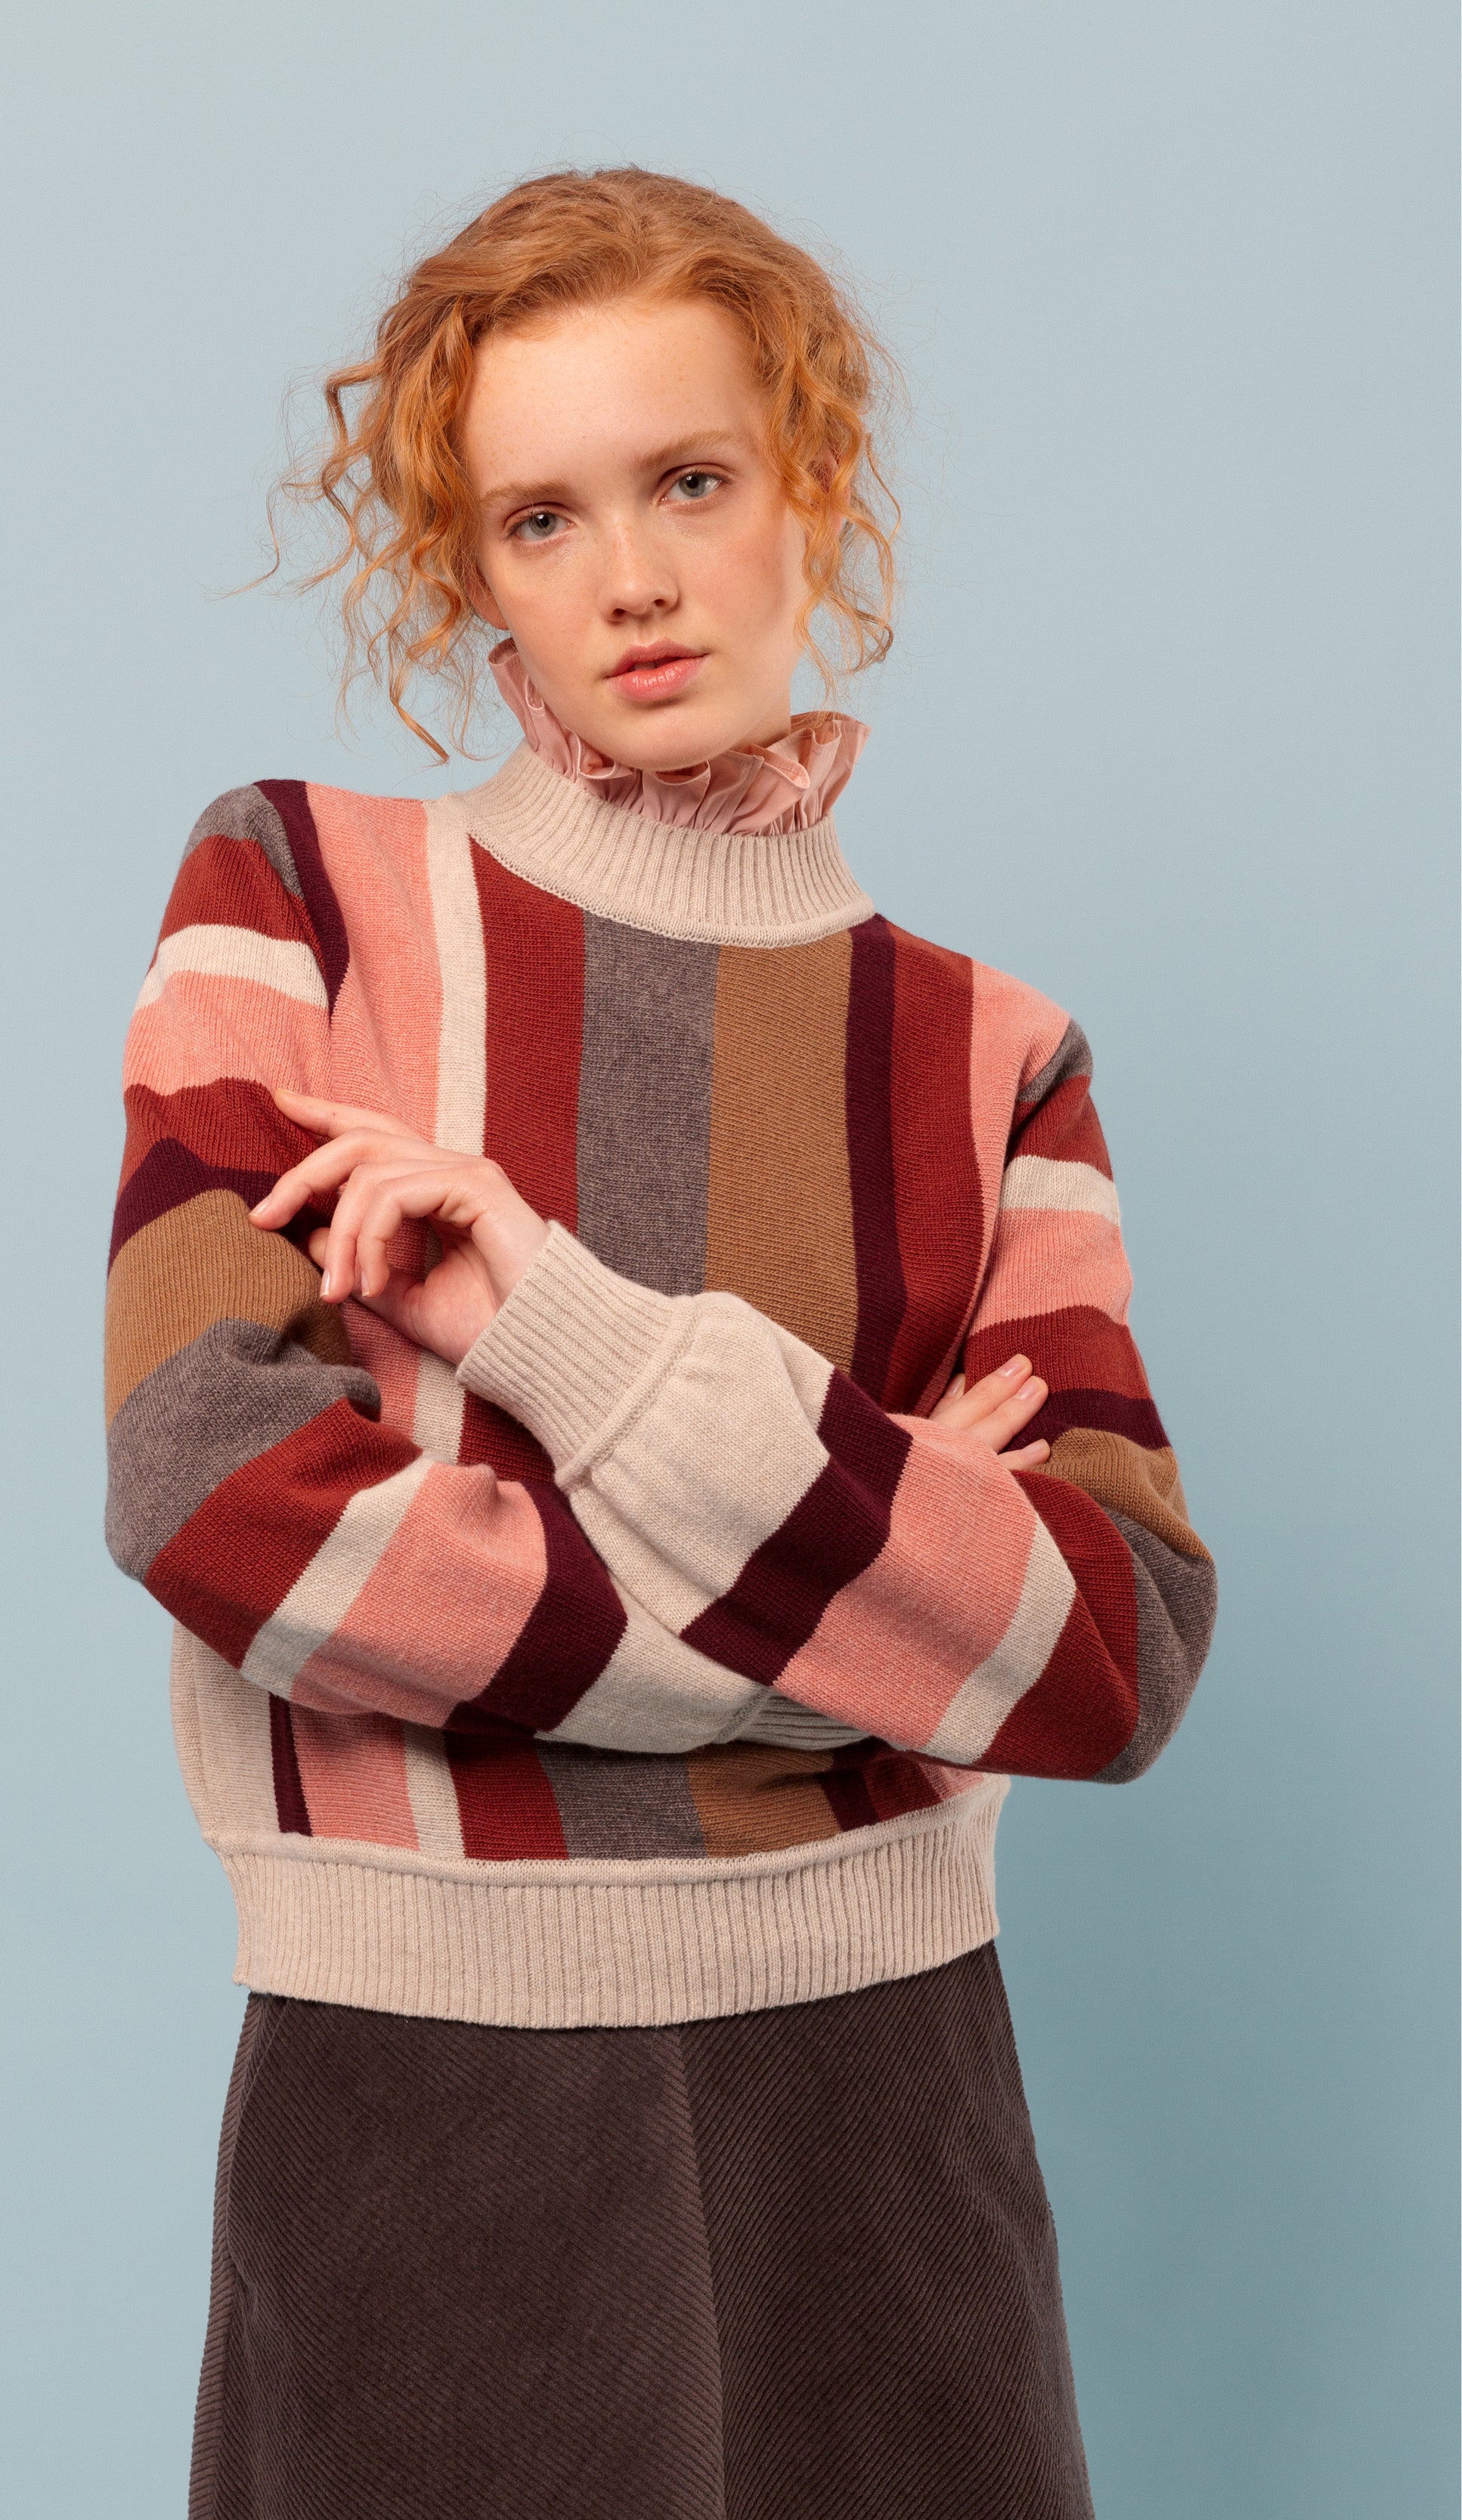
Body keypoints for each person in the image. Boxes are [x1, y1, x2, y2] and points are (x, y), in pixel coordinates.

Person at [104, 166, 1216, 2520]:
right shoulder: (301, 898)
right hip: (429, 2097)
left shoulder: (992, 1055)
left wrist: (569, 1336)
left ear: (812, 487)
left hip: (888, 2094)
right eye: (538, 516)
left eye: (689, 480)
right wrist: (882, 1589)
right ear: (469, 568)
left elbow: (1107, 1652)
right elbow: (222, 1508)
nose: (628, 578)